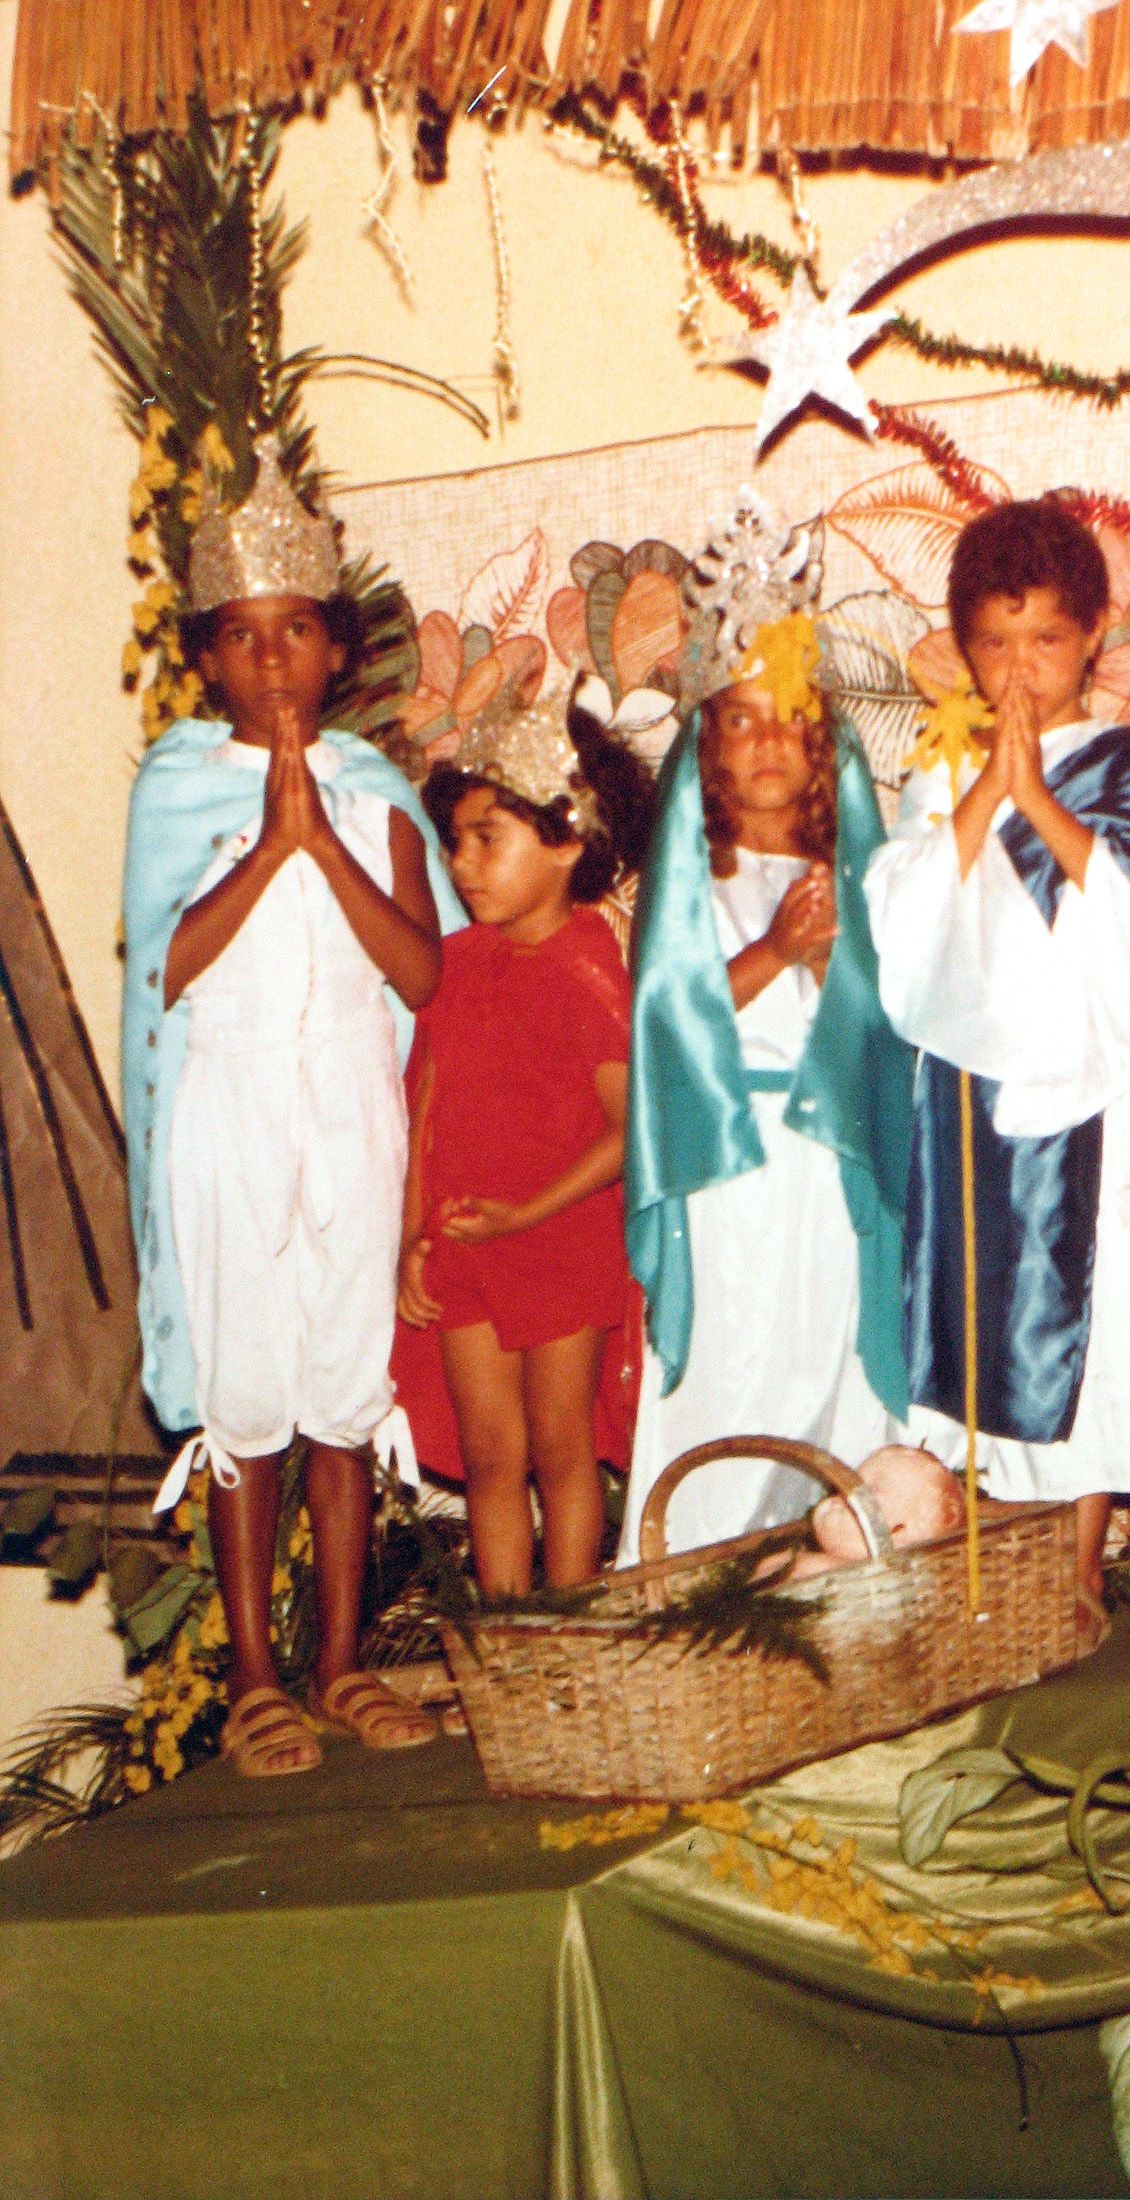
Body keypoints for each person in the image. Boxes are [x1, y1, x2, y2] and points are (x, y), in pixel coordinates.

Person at [122, 437, 463, 1774]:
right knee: (246, 1391)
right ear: (209, 657)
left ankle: (337, 1660)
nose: (273, 665)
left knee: (338, 1383)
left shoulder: (376, 793)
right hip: (233, 1109)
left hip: (348, 1109)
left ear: (337, 652)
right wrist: (269, 845)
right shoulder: (178, 784)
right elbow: (169, 963)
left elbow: (425, 971)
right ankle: (254, 1672)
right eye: (246, 640)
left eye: (299, 634)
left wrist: (324, 834)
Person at [866, 498, 1130, 1606]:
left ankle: (1074, 1571)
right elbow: (904, 927)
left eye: (1046, 640)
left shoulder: (1123, 759)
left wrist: (1034, 799)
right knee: (967, 1312)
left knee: (1075, 1322)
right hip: (959, 1092)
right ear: (961, 646)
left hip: (1077, 1096)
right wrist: (980, 796)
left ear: (1093, 636)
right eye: (994, 643)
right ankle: (987, 1568)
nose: (1020, 668)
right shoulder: (937, 773)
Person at [619, 491, 913, 1560]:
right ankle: (694, 1567)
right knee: (736, 1366)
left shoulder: (853, 871)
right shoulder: (700, 874)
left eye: (792, 716)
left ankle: (826, 1561)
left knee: (825, 1355)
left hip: (824, 1155)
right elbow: (667, 1011)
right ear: (708, 746)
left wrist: (837, 953)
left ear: (823, 738)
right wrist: (776, 951)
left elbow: (884, 1017)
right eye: (741, 720)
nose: (770, 743)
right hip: (730, 1163)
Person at [395, 690, 654, 1594]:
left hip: (560, 1242)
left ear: (566, 839)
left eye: (487, 839)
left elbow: (630, 1129)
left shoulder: (590, 967)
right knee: (489, 1454)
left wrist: (526, 1215)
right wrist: (410, 1241)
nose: (462, 864)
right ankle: (507, 1634)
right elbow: (422, 1109)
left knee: (559, 1449)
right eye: (456, 841)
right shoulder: (458, 966)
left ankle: (569, 1624)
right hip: (467, 1243)